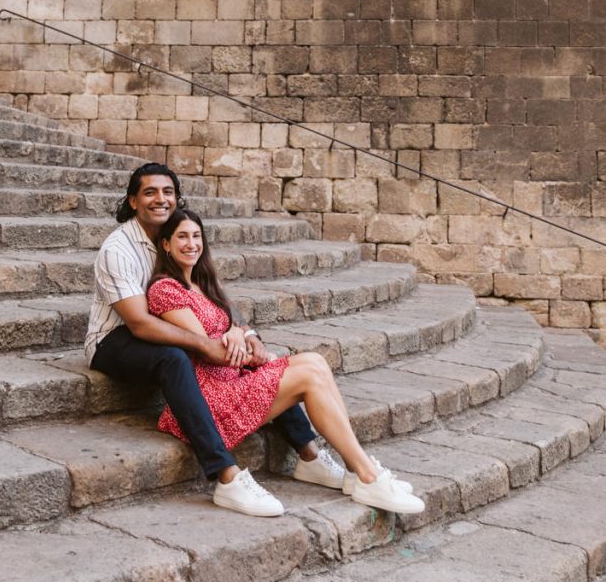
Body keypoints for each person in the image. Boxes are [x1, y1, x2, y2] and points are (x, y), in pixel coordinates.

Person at [85, 162, 354, 516]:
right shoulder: (118, 249)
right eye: (149, 192)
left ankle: (309, 453)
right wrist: (205, 344)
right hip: (114, 338)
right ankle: (225, 474)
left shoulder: (179, 238)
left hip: (164, 323)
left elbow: (212, 297)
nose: (159, 199)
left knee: (243, 354)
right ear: (133, 201)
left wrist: (244, 333)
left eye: (167, 192)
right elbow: (139, 324)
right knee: (174, 359)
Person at [148, 207, 426, 518]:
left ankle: (355, 469)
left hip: (232, 380)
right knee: (308, 374)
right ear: (166, 245)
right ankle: (367, 477)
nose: (191, 244)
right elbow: (209, 348)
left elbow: (232, 331)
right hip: (210, 395)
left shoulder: (203, 282)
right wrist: (237, 336)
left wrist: (239, 332)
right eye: (182, 237)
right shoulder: (165, 290)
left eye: (197, 236)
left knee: (316, 362)